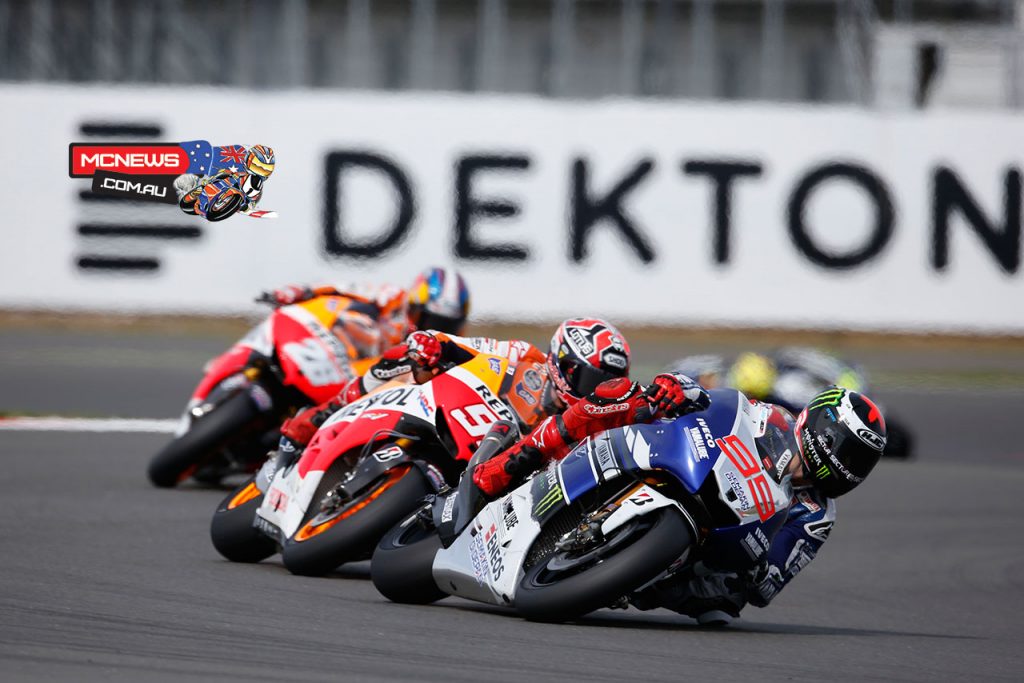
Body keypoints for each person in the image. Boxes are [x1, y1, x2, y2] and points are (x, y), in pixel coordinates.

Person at [630, 386, 887, 626]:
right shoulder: (772, 417)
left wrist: (759, 566)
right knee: (629, 398)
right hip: (691, 466)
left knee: (725, 599)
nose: (853, 468)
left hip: (714, 547)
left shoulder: (817, 514)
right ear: (827, 433)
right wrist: (682, 389)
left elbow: (769, 587)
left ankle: (635, 580)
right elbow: (715, 403)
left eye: (863, 463)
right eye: (851, 454)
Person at [265, 266, 470, 350]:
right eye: (428, 319)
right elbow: (345, 288)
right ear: (413, 306)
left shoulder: (450, 352)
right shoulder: (392, 297)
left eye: (445, 325)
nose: (432, 328)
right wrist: (302, 291)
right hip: (338, 359)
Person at [175, 144, 275, 216]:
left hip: (232, 198)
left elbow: (255, 197)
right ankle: (204, 186)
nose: (260, 172)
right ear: (249, 160)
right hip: (224, 181)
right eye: (258, 167)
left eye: (266, 170)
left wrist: (250, 206)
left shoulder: (258, 187)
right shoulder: (240, 166)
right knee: (222, 174)